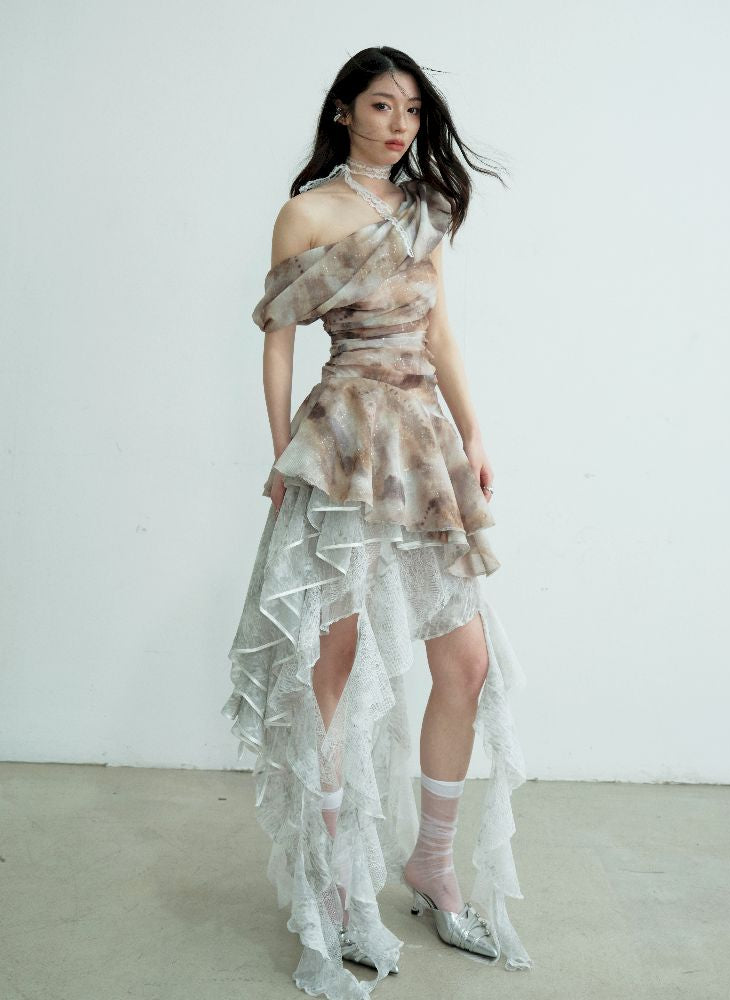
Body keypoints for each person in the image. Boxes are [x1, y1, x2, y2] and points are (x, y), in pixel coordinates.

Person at [222, 45, 532, 1000]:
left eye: (412, 111)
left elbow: (440, 332)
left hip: (423, 442)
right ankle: (335, 881)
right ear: (345, 111)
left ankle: (432, 865)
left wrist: (474, 433)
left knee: (466, 663)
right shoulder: (308, 212)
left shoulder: (425, 209)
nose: (400, 125)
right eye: (383, 106)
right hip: (345, 442)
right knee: (337, 660)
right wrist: (281, 451)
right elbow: (278, 343)